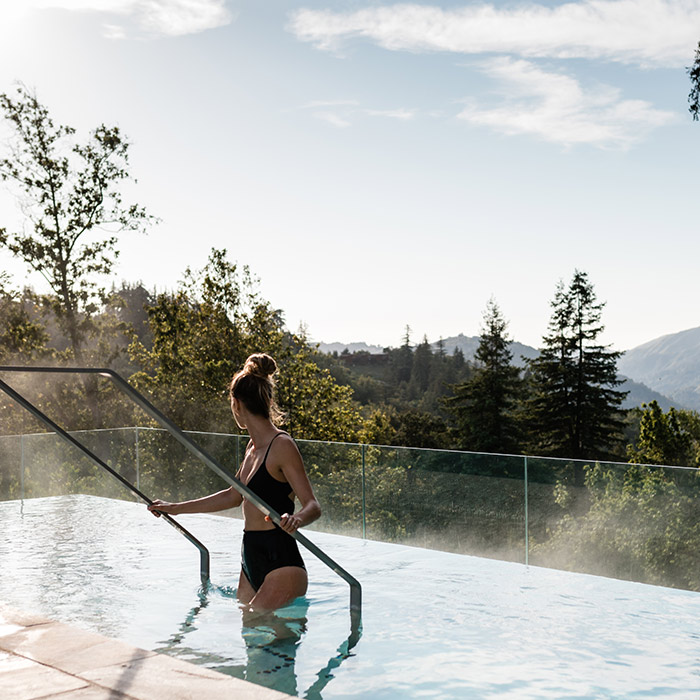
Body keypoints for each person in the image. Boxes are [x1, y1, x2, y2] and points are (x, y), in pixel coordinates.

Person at [148, 353, 321, 611]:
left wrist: (297, 519)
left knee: (265, 633)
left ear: (236, 404)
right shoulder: (252, 448)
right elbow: (232, 495)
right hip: (250, 556)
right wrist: (174, 508)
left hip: (281, 561)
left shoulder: (281, 445)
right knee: (252, 643)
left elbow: (313, 506)